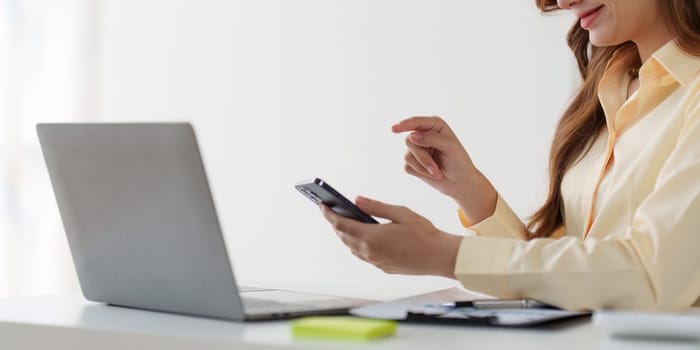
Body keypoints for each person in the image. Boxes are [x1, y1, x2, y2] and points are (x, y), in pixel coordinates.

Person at [319, 0, 700, 311]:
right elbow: (569, 274)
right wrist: (472, 192)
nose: (565, 2)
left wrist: (442, 254)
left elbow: (652, 276)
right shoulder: (609, 91)